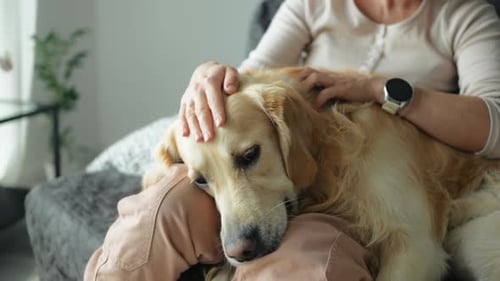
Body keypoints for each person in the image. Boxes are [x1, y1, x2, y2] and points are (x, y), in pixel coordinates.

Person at [84, 0, 500, 280]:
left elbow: (494, 126)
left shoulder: (464, 15)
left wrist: (380, 90)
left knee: (302, 258)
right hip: (293, 160)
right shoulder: (310, 4)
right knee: (162, 209)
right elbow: (244, 85)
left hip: (362, 177)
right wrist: (208, 76)